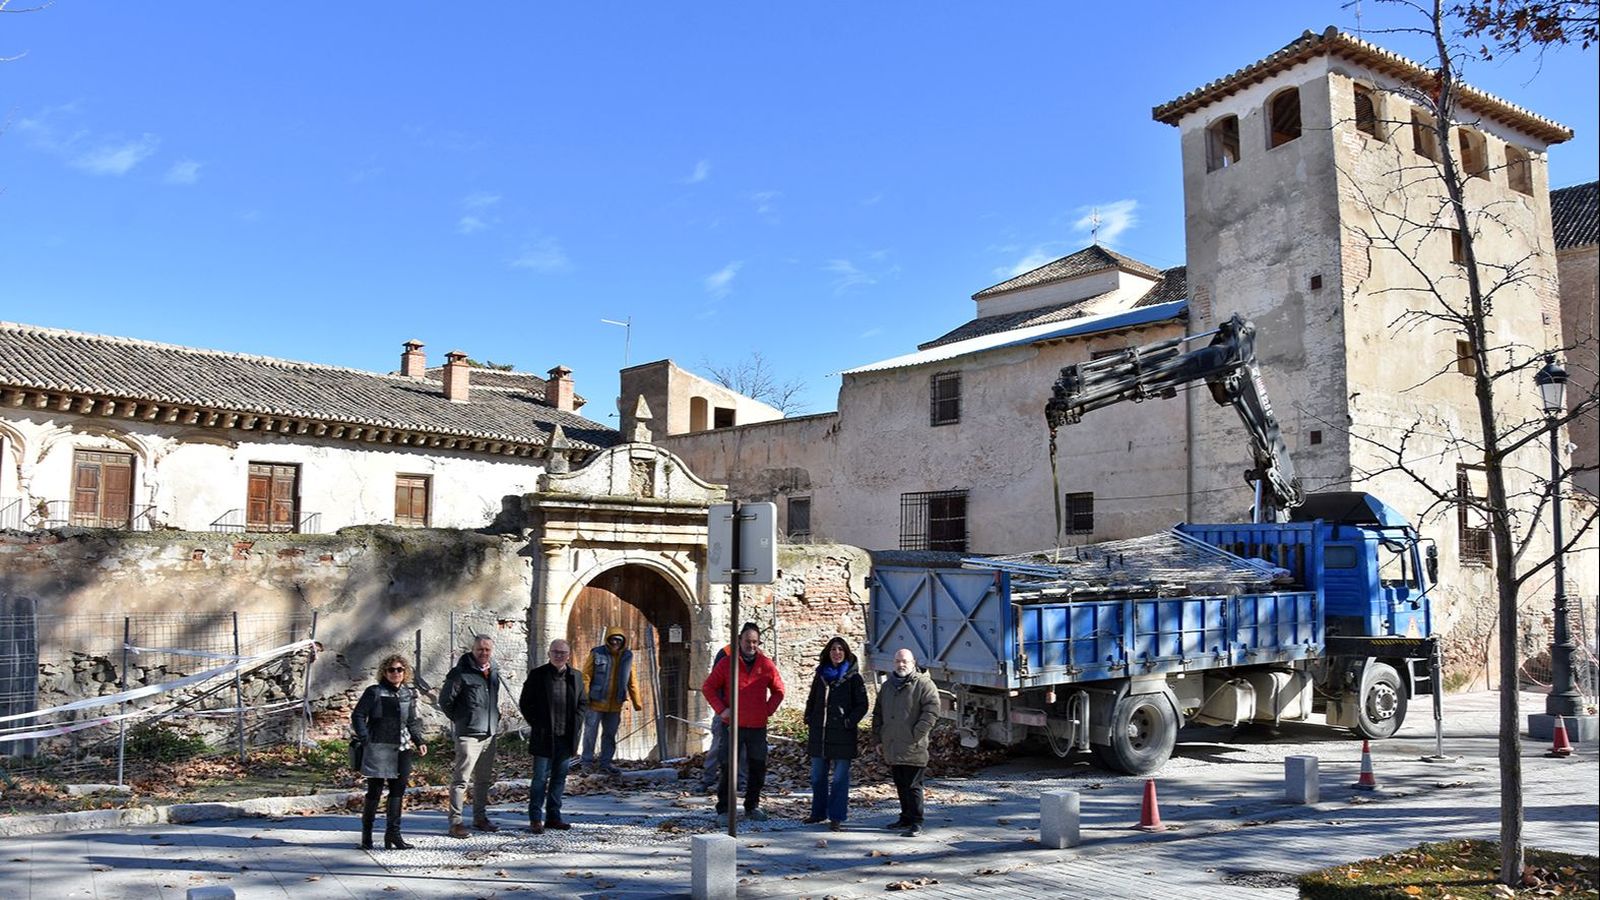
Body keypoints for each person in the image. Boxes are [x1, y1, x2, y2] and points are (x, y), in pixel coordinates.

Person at [701, 622, 785, 821]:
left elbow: (779, 691)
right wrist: (722, 710)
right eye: (748, 641)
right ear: (739, 640)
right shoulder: (727, 663)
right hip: (733, 725)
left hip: (757, 726)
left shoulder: (766, 664)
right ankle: (724, 809)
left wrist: (767, 710)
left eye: (755, 642)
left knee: (757, 767)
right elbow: (708, 688)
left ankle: (752, 806)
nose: (751, 645)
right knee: (728, 766)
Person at [351, 654, 428, 850]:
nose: (396, 673)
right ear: (384, 672)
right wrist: (365, 738)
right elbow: (358, 715)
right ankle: (366, 836)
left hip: (402, 748)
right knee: (374, 792)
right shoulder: (374, 692)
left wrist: (419, 740)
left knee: (398, 791)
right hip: (378, 748)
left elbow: (411, 720)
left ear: (405, 672)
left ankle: (393, 834)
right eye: (391, 670)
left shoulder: (406, 694)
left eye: (399, 670)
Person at [518, 639, 587, 834]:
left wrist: (576, 723)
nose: (559, 655)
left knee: (559, 779)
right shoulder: (537, 675)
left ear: (569, 655)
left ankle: (553, 818)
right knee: (540, 778)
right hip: (544, 737)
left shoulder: (576, 676)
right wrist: (537, 723)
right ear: (549, 654)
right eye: (555, 652)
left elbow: (583, 702)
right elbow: (525, 703)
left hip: (566, 738)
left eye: (563, 652)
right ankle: (535, 819)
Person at [440, 633, 503, 838]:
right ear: (473, 650)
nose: (484, 653)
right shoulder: (459, 673)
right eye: (480, 649)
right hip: (469, 734)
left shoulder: (493, 671)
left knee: (483, 780)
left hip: (489, 734)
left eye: (487, 650)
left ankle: (480, 817)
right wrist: (462, 718)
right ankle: (456, 822)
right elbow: (445, 701)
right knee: (461, 780)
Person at [803, 636, 869, 830]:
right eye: (833, 649)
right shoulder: (821, 675)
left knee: (840, 779)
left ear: (846, 652)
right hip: (820, 734)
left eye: (840, 649)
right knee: (817, 777)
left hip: (843, 735)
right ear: (828, 653)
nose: (837, 653)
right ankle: (818, 813)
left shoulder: (853, 677)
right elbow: (812, 699)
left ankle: (837, 817)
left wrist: (849, 721)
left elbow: (862, 705)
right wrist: (809, 716)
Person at [872, 647, 939, 837]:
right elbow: (878, 714)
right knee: (900, 783)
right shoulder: (887, 686)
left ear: (913, 663)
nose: (901, 665)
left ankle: (917, 821)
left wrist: (916, 734)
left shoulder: (924, 684)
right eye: (898, 661)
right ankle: (905, 817)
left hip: (913, 745)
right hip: (892, 744)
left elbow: (932, 711)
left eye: (905, 661)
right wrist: (878, 738)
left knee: (914, 785)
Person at [578, 627, 643, 775]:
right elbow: (586, 676)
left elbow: (632, 680)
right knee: (590, 734)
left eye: (618, 640)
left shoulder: (627, 656)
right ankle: (586, 763)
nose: (615, 643)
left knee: (609, 735)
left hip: (615, 704)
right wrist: (585, 696)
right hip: (595, 702)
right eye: (613, 639)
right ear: (608, 640)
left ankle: (605, 763)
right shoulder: (597, 653)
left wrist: (637, 702)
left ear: (623, 642)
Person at [698, 642, 747, 794]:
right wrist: (722, 709)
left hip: (744, 710)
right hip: (725, 709)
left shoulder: (755, 656)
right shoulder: (725, 654)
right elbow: (714, 684)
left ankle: (741, 780)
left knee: (743, 746)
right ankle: (708, 779)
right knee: (718, 744)